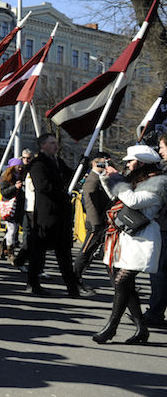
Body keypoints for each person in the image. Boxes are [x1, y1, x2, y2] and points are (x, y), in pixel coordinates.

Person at [93, 144, 165, 344]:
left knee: (121, 282)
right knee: (126, 284)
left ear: (141, 163)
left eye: (131, 161)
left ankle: (111, 327)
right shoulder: (139, 180)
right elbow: (117, 197)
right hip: (127, 237)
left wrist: (117, 178)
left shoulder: (159, 182)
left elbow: (132, 200)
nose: (127, 164)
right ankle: (141, 329)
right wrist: (106, 177)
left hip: (143, 240)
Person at [24, 133, 86, 297]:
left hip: (61, 215)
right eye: (51, 143)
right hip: (46, 215)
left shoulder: (58, 162)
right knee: (39, 252)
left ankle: (72, 288)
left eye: (55, 142)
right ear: (43, 145)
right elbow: (43, 186)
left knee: (64, 253)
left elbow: (71, 177)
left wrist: (82, 165)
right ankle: (33, 283)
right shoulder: (38, 164)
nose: (55, 145)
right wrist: (63, 195)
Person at [73, 152, 112, 288]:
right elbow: (90, 204)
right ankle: (75, 279)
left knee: (105, 254)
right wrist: (96, 224)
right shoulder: (92, 179)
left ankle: (120, 284)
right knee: (86, 252)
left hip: (102, 222)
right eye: (104, 162)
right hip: (95, 223)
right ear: (95, 163)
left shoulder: (100, 178)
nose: (106, 164)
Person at [145, 135, 167, 326]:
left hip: (164, 226)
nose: (159, 151)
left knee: (159, 272)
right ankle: (155, 310)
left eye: (162, 147)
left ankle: (155, 313)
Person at [0, 158, 25, 264]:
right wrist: (15, 187)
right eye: (18, 166)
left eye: (21, 166)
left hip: (18, 207)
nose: (20, 168)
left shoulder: (22, 176)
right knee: (12, 229)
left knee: (13, 229)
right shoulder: (5, 178)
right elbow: (4, 192)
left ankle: (3, 245)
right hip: (9, 207)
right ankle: (10, 252)